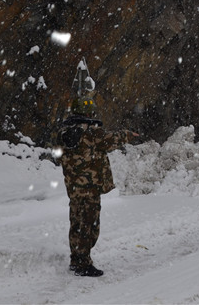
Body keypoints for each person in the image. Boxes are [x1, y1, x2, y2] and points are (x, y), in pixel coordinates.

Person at [59, 95, 138, 277]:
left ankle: (76, 259)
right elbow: (111, 139)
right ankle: (83, 264)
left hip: (74, 187)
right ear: (88, 111)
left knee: (77, 222)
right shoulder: (91, 133)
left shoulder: (63, 132)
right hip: (90, 186)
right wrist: (128, 134)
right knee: (89, 225)